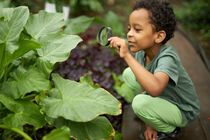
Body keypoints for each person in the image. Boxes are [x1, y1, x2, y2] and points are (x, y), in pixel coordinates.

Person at [108, 0, 200, 140]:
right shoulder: (142, 53)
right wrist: (149, 124)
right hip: (164, 98)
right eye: (129, 29)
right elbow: (146, 88)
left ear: (159, 36)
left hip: (182, 109)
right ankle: (155, 115)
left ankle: (171, 130)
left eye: (137, 30)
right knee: (129, 73)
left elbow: (155, 88)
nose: (129, 34)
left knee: (139, 103)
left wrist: (127, 55)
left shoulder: (168, 58)